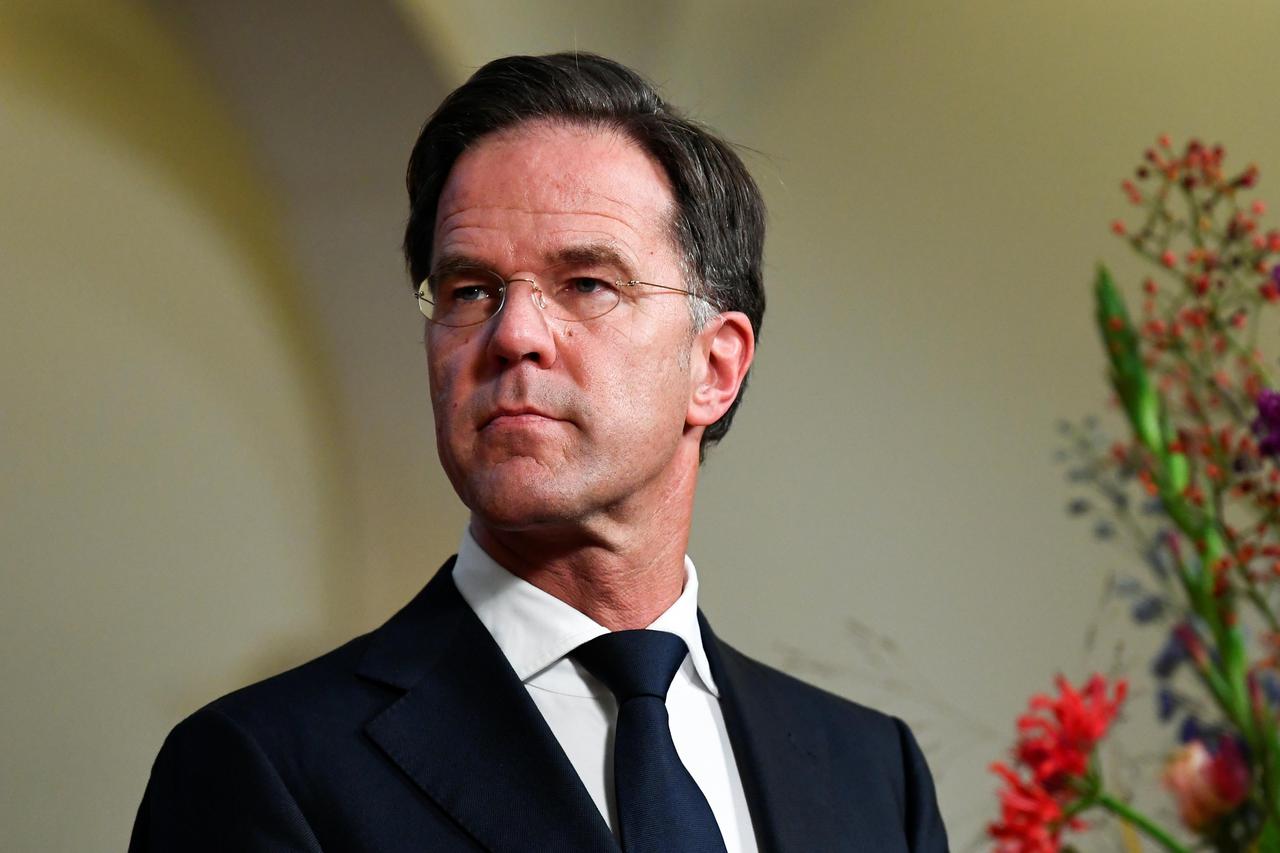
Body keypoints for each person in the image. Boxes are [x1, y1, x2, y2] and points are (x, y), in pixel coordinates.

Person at [129, 52, 948, 852]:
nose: (513, 334)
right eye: (469, 291)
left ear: (715, 365)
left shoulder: (873, 773)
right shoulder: (261, 767)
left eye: (587, 284)